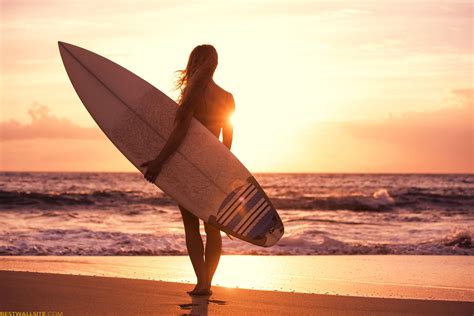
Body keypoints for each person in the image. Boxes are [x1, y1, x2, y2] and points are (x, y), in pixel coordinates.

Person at [140, 44, 235, 296]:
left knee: (191, 226)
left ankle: (201, 282)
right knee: (212, 227)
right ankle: (208, 283)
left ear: (193, 63)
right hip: (213, 167)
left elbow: (180, 133)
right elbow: (227, 145)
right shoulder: (227, 98)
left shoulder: (193, 94)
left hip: (186, 166)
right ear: (215, 64)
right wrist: (223, 174)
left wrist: (159, 161)